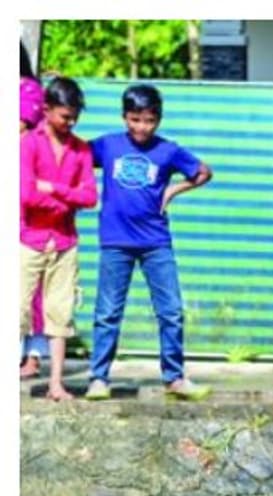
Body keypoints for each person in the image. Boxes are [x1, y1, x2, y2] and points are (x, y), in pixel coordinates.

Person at [84, 84, 212, 402]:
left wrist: (172, 190)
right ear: (124, 117)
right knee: (108, 312)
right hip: (115, 242)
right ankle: (99, 378)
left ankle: (174, 378)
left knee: (170, 311)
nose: (142, 127)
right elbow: (74, 158)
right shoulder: (107, 145)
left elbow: (203, 173)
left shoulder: (168, 151)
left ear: (159, 120)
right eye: (135, 119)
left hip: (156, 242)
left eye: (150, 120)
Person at [19, 77, 97, 402]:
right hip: (28, 238)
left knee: (60, 315)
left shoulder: (81, 149)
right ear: (47, 110)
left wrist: (53, 189)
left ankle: (55, 385)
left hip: (64, 241)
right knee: (15, 309)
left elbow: (90, 196)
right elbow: (24, 194)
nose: (71, 122)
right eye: (65, 116)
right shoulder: (27, 144)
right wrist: (68, 199)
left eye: (75, 116)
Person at [19, 42, 49, 380]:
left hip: (24, 197)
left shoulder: (25, 90)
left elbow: (18, 129)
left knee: (29, 279)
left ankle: (34, 354)